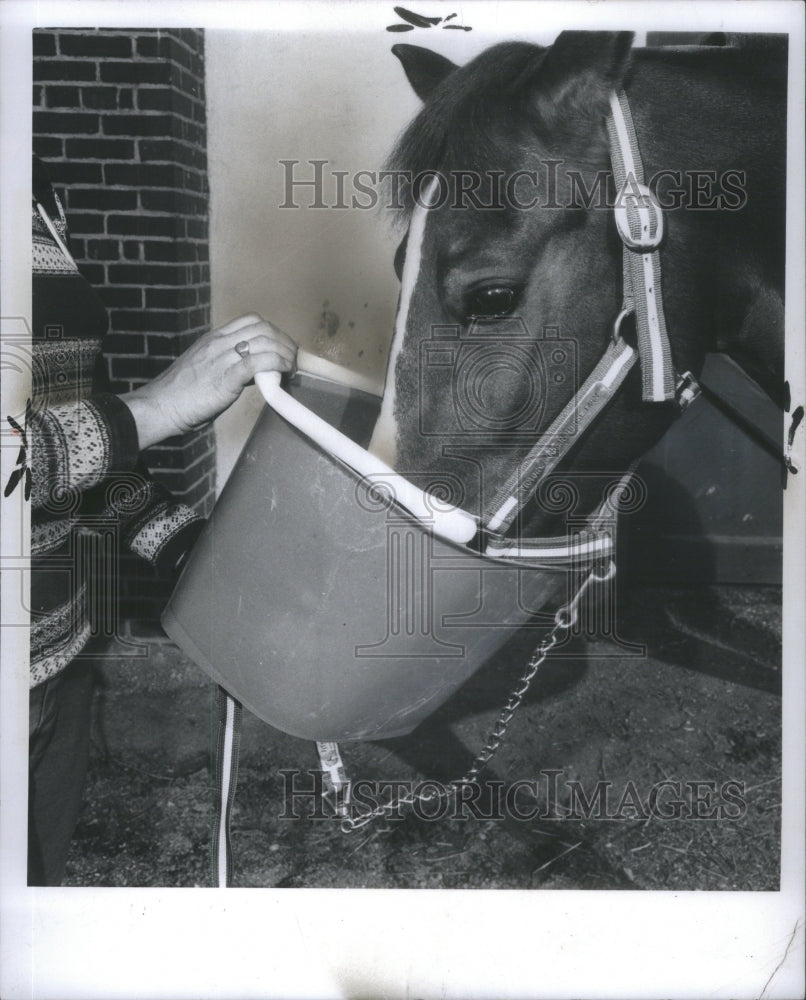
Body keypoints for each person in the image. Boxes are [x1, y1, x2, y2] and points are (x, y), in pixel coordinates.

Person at [27, 156, 297, 884]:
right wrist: (157, 407)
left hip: (58, 664)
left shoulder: (35, 186)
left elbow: (77, 451)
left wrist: (188, 548)